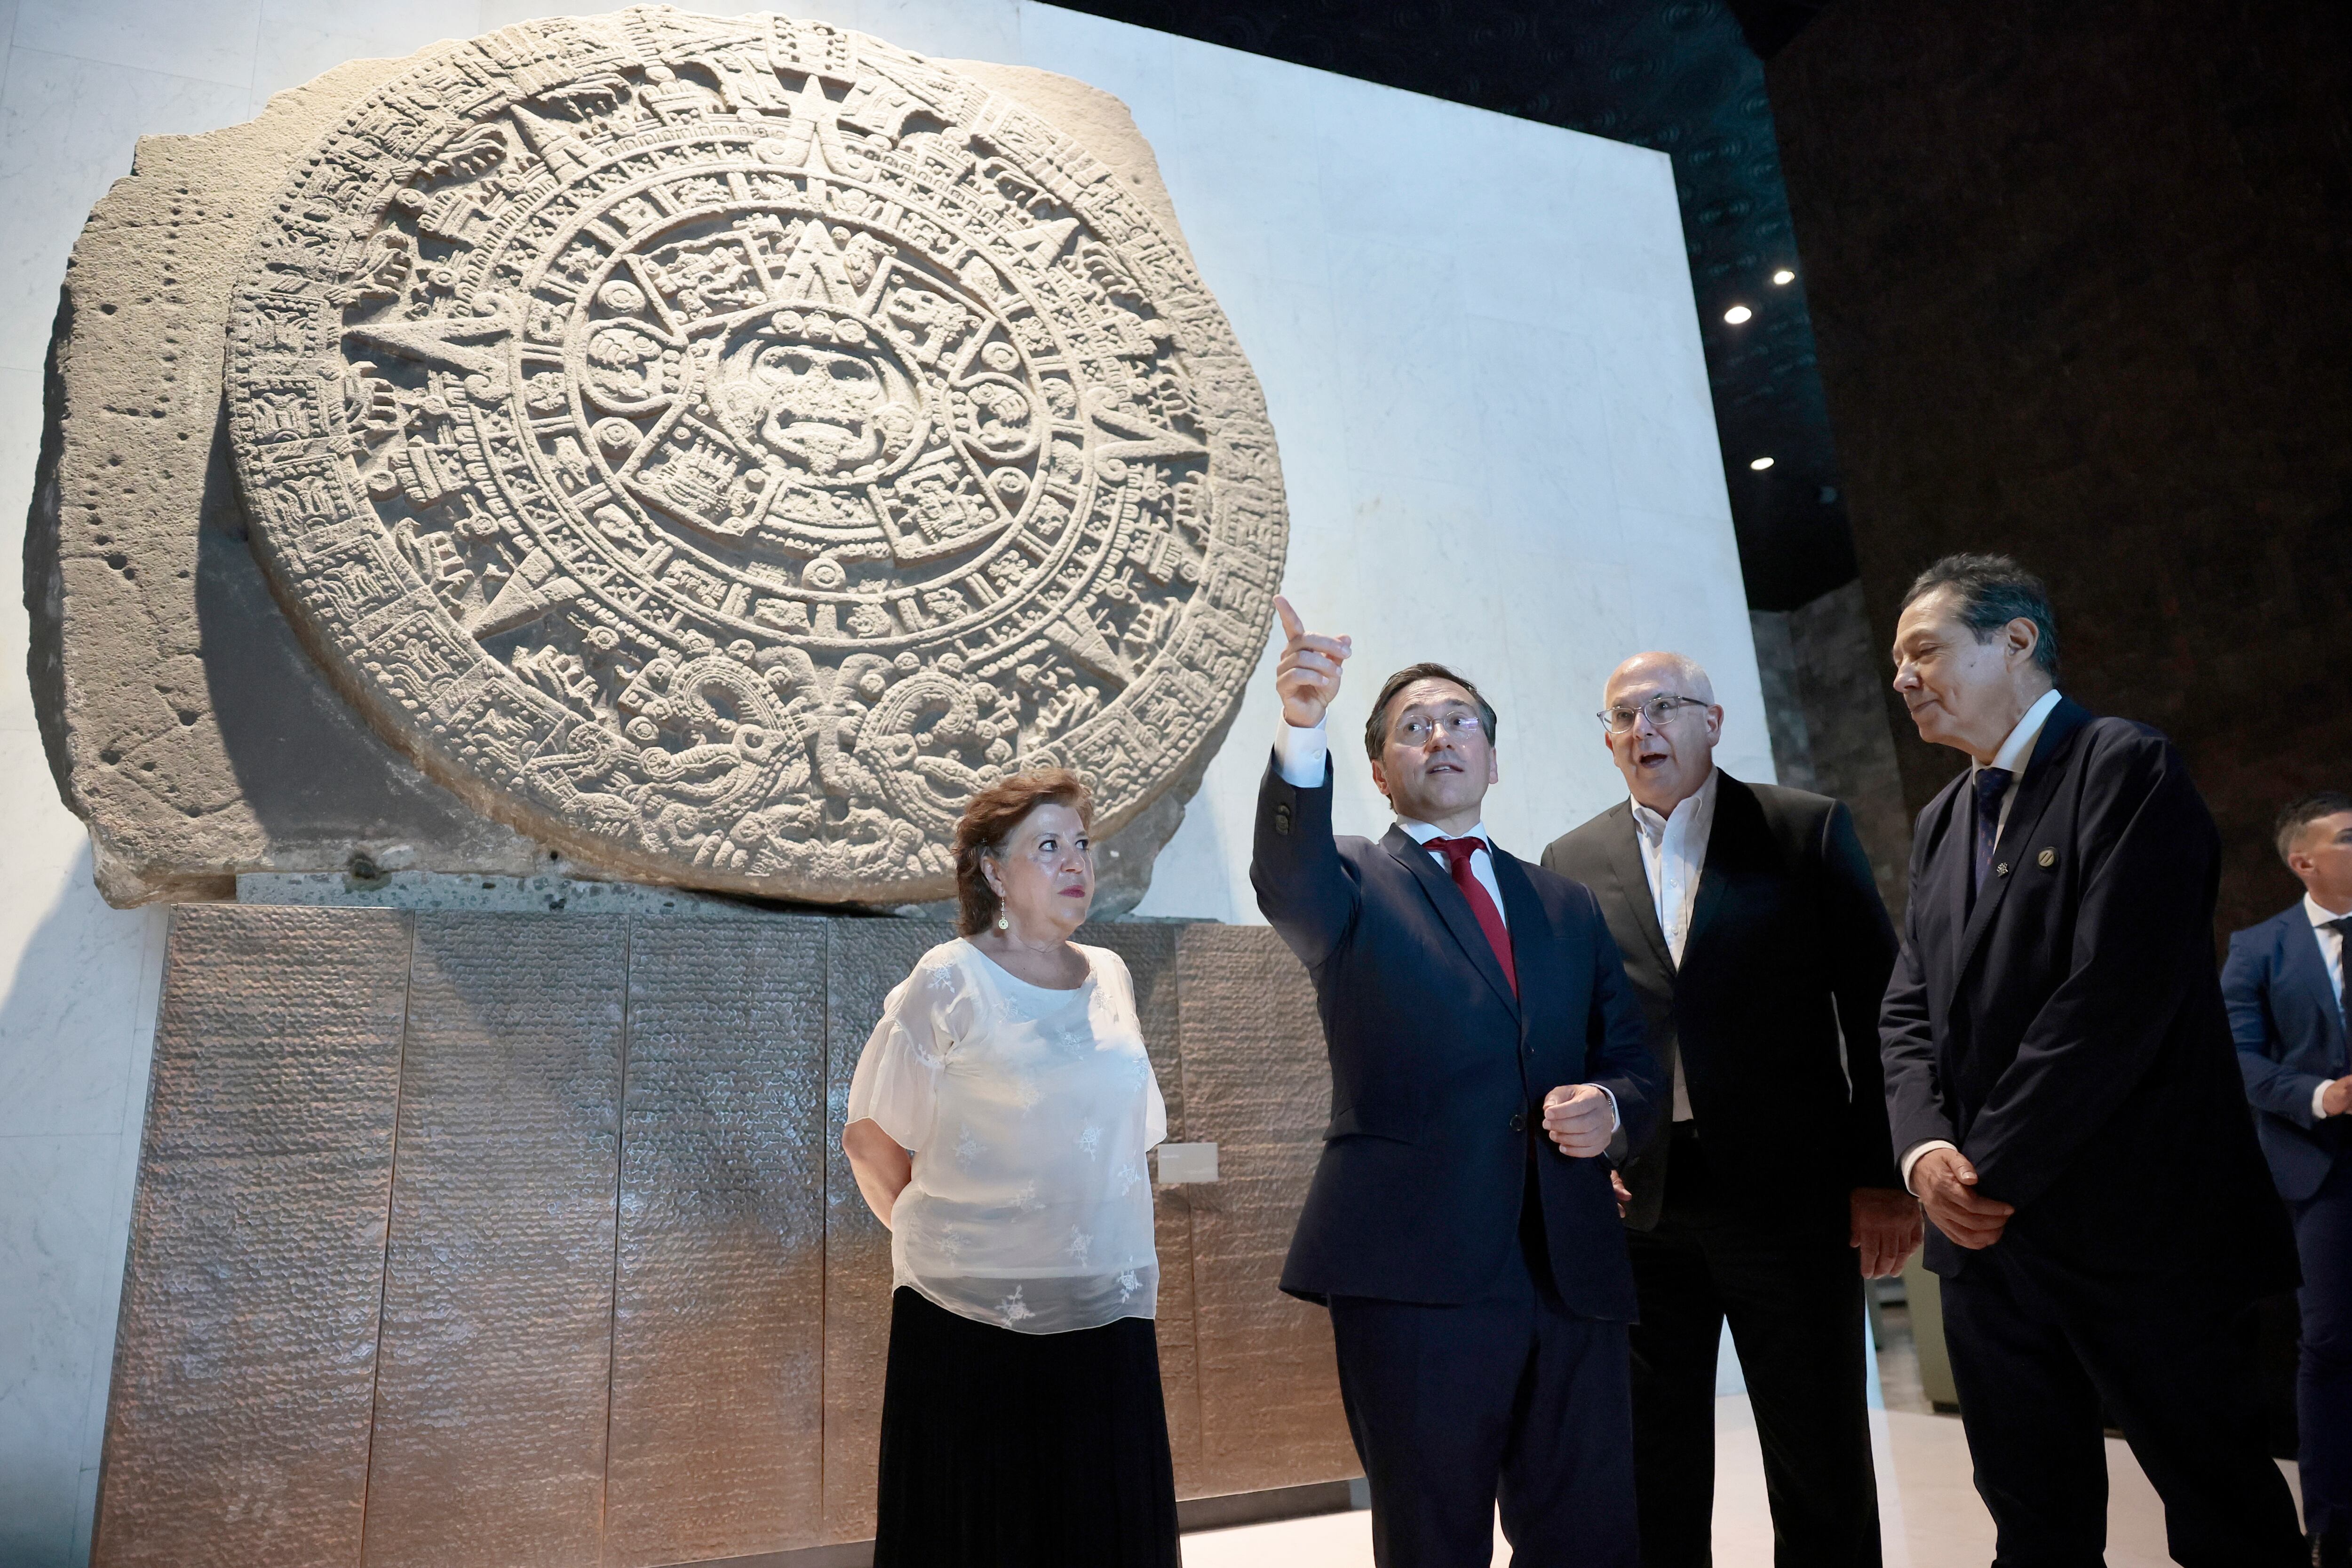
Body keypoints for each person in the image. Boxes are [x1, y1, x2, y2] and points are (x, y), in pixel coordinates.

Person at [1877, 552, 2303, 1566]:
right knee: (2034, 1523)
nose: (1902, 678)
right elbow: (1907, 1007)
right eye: (1897, 661)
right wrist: (1922, 1153)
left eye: (1923, 650)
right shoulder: (1944, 820)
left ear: (2015, 640)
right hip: (1984, 1246)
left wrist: (1986, 1168)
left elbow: (2112, 999)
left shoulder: (2125, 765)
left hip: (2138, 1227)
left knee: (2224, 1509)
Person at [1252, 596, 1664, 1568]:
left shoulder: (1564, 901)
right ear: (1380, 771)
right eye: (1412, 725)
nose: (1440, 734)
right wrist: (1300, 723)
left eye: (1461, 720)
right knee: (1434, 1535)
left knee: (1589, 1533)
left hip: (1569, 1265)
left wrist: (1609, 1108)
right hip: (1412, 1272)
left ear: (1492, 756)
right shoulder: (1349, 881)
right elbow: (1287, 874)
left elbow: (1634, 1063)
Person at [1541, 651, 1916, 1568]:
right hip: (1640, 1201)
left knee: (1818, 1449)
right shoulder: (1572, 859)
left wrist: (1879, 1173)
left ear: (1714, 721)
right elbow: (1562, 1037)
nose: (1642, 728)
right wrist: (1585, 1171)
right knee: (1650, 1461)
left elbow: (1875, 1010)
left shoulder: (1800, 829)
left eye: (1665, 706)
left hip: (1792, 1197)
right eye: (1621, 715)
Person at [841, 768, 1178, 1568]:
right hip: (969, 1324)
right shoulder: (949, 976)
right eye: (1049, 846)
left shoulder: (1113, 976)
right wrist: (964, 1245)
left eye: (1084, 846)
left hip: (1109, 1306)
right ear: (994, 871)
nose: (1076, 865)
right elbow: (873, 1139)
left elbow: (1130, 1139)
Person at [2223, 790, 2352, 1568]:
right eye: (2349, 836)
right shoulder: (2258, 948)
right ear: (2304, 860)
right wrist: (2322, 1096)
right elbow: (2236, 1059)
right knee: (2333, 1344)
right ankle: (2332, 1526)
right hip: (2322, 1172)